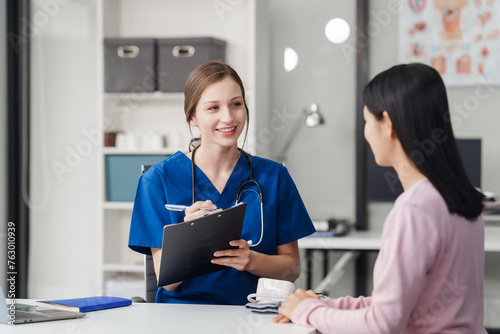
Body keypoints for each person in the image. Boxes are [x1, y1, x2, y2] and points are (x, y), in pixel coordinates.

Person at [272, 63, 487, 333]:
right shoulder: (461, 197)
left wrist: (306, 311)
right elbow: (399, 305)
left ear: (388, 124)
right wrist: (325, 305)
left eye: (367, 120)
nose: (365, 133)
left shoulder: (415, 208)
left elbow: (382, 324)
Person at [128, 60, 316, 305]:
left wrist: (250, 260)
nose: (228, 117)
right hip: (183, 317)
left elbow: (291, 269)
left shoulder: (274, 177)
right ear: (192, 116)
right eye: (213, 108)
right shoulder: (157, 181)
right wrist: (190, 239)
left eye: (236, 104)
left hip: (252, 312)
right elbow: (167, 282)